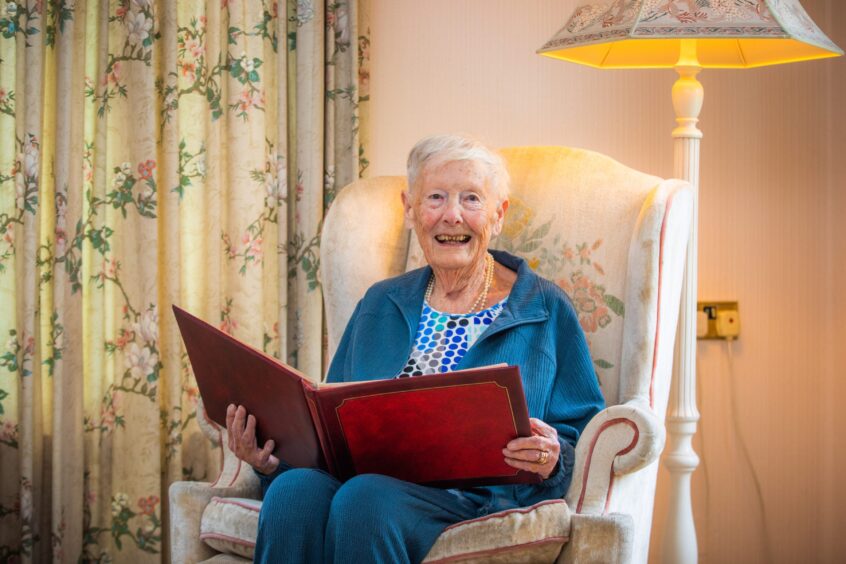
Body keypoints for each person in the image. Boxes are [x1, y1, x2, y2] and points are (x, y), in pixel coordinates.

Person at [225, 134, 605, 563]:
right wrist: (267, 461)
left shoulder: (544, 307)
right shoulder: (380, 302)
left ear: (499, 215)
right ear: (410, 209)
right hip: (363, 480)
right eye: (436, 198)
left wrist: (553, 457)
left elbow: (581, 425)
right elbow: (329, 423)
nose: (452, 216)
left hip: (468, 498)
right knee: (294, 493)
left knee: (364, 500)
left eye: (472, 199)